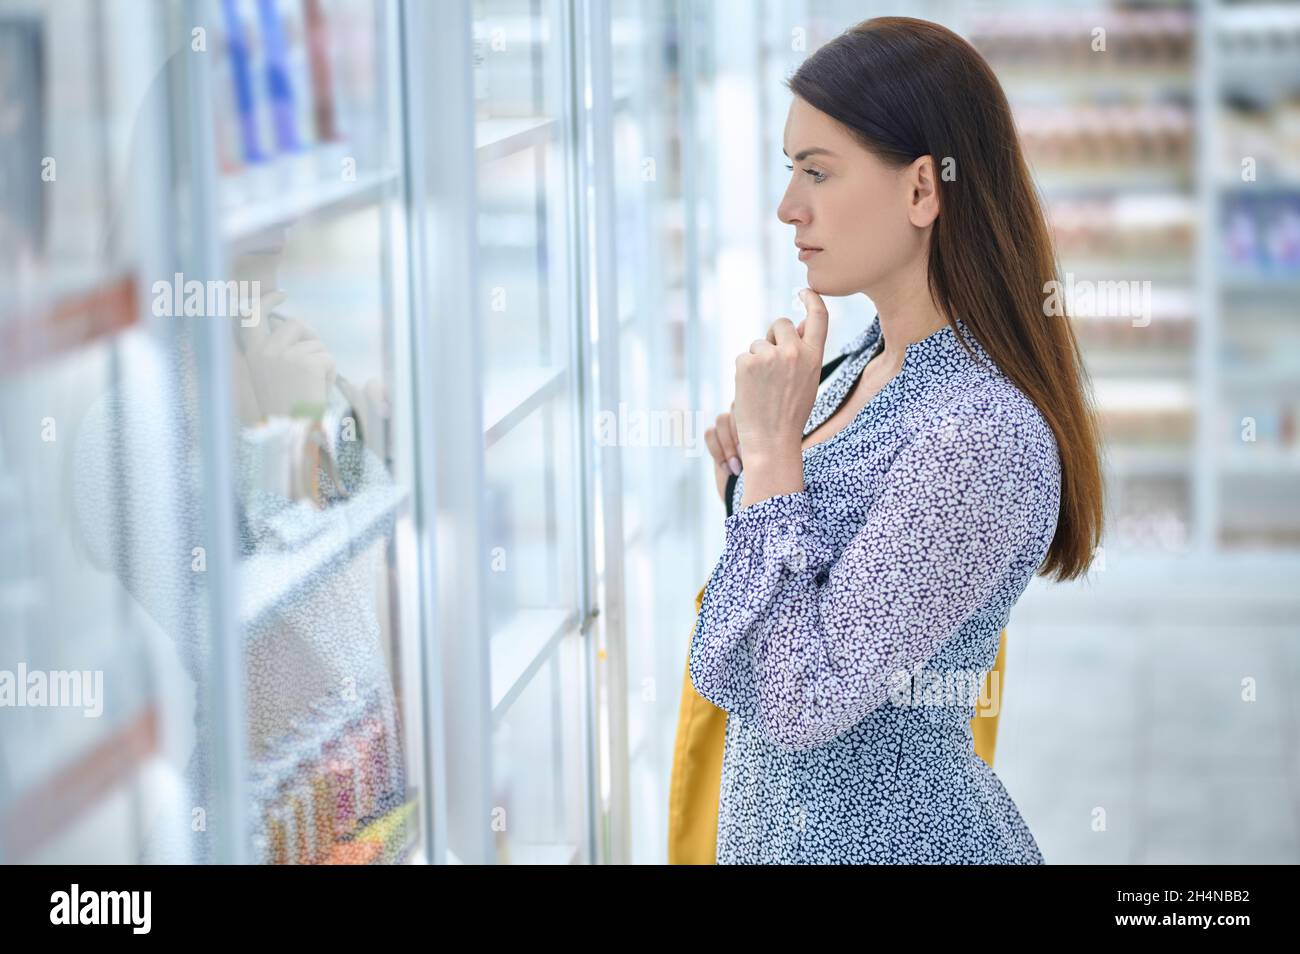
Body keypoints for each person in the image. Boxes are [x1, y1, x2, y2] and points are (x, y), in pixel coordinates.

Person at [694, 16, 1103, 864]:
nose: (787, 207)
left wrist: (773, 463)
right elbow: (807, 586)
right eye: (789, 170)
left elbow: (801, 699)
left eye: (817, 172)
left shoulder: (984, 436)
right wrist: (753, 467)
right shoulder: (855, 367)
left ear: (924, 189)